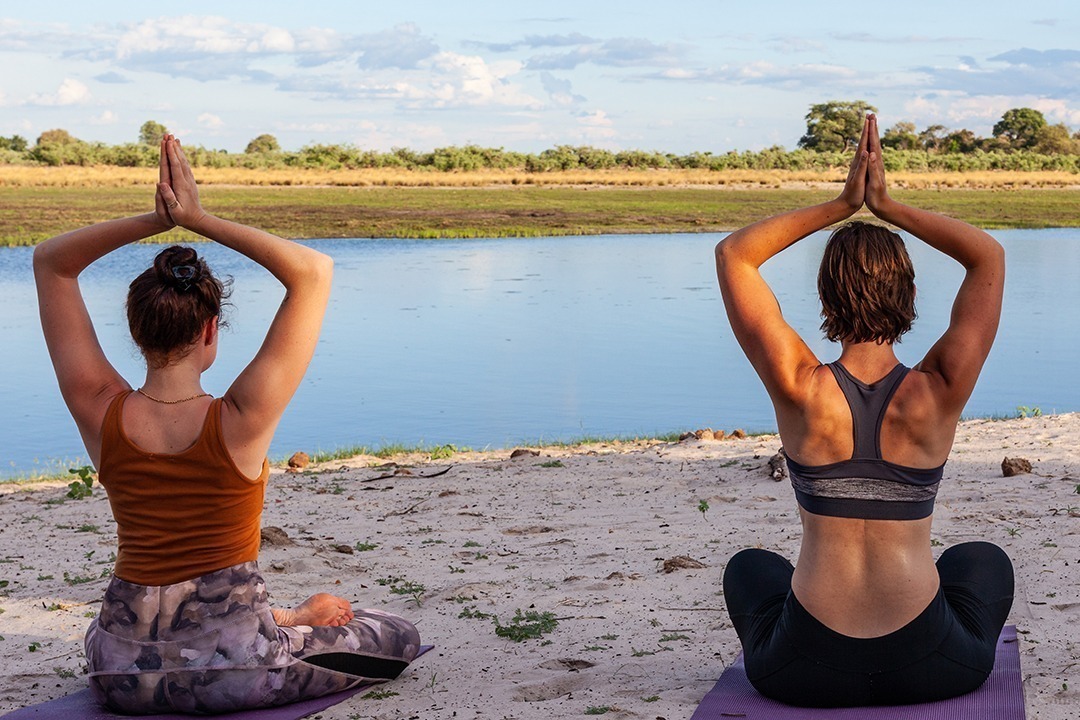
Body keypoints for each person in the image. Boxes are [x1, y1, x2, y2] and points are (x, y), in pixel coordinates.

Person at [34, 135, 421, 714]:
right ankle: (287, 622)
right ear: (211, 329)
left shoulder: (99, 408)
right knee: (395, 632)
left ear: (135, 328)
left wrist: (155, 220)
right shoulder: (239, 420)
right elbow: (313, 271)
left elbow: (50, 262)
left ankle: (287, 618)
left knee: (242, 625)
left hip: (118, 674)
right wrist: (197, 218)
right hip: (234, 672)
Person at [713, 115, 1013, 707]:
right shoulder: (939, 387)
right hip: (932, 663)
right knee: (981, 561)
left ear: (824, 295)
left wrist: (843, 204)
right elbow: (988, 258)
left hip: (803, 670)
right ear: (910, 295)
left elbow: (735, 256)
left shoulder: (800, 387)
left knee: (750, 569)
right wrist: (888, 205)